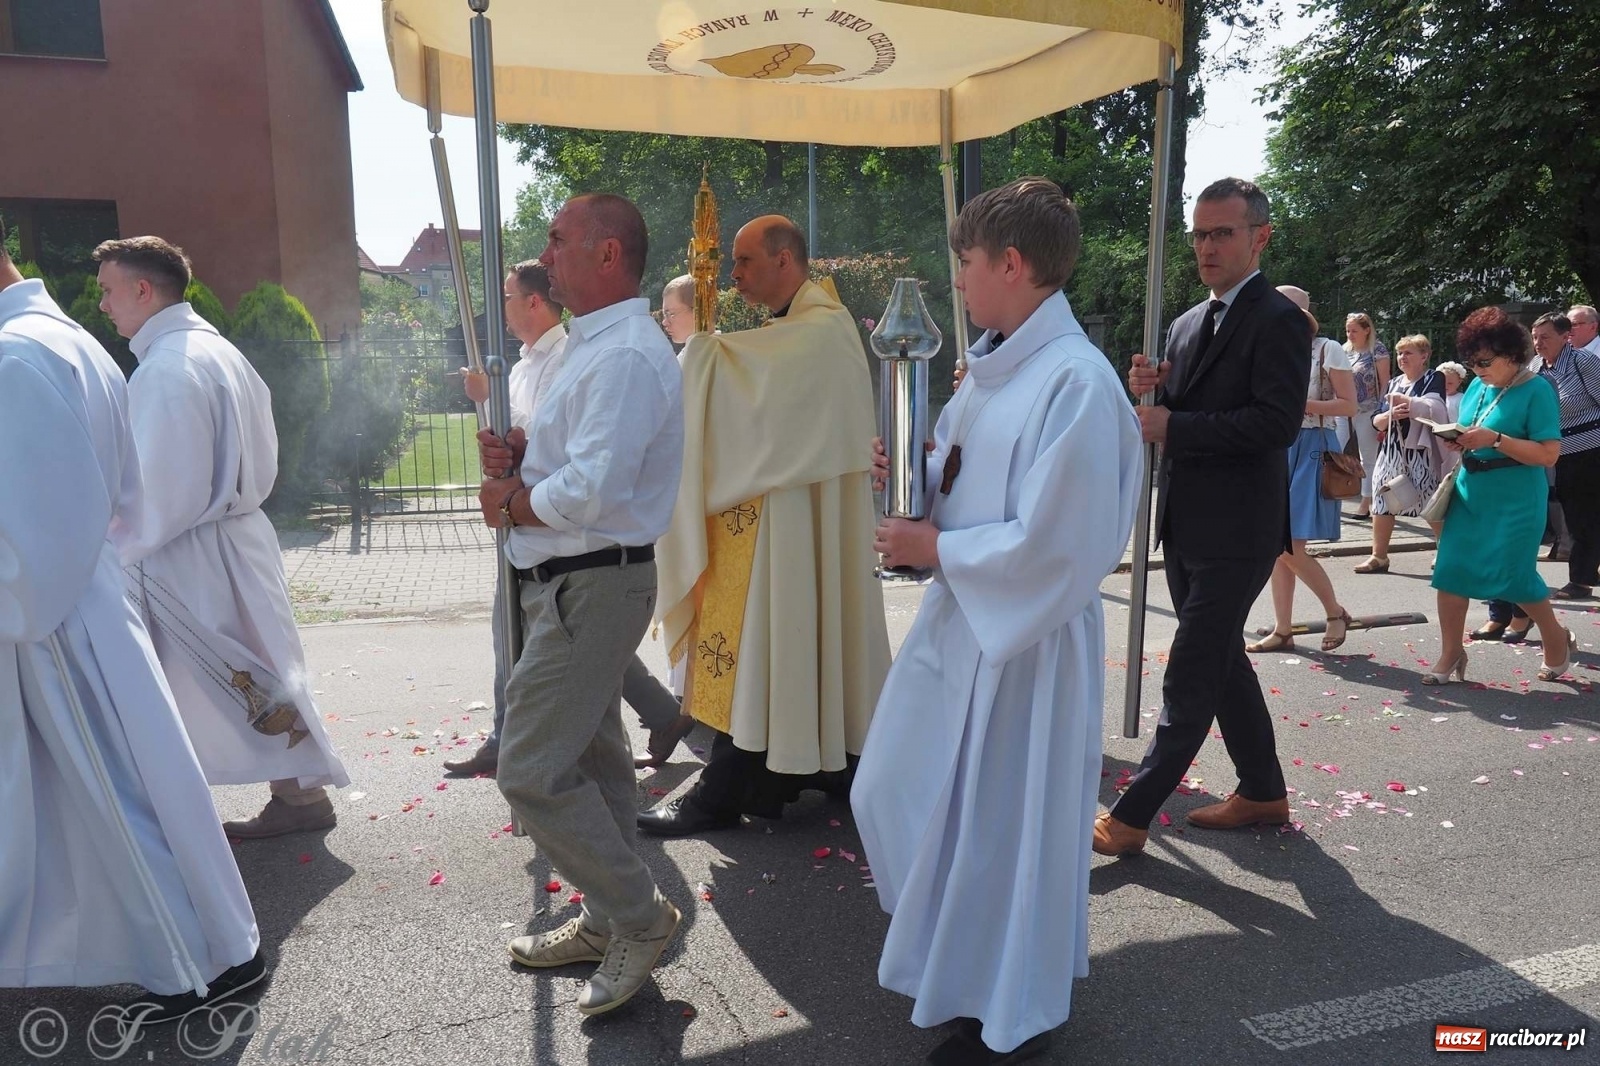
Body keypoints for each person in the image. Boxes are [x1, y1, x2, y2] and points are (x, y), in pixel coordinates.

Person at [852, 178, 1142, 1066]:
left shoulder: (1079, 385)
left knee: (1003, 830)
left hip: (1029, 642)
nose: (961, 284)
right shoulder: (994, 368)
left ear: (1010, 265)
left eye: (967, 265)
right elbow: (966, 477)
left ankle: (1013, 1013)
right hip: (963, 625)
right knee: (899, 792)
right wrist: (913, 471)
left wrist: (934, 545)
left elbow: (1062, 544)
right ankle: (964, 968)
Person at [0, 222, 264, 1018]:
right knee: (119, 788)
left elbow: (32, 535)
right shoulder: (60, 339)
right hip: (77, 604)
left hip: (52, 619)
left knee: (116, 794)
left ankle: (201, 962)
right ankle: (203, 949)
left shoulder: (18, 357)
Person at [476, 193, 684, 1017]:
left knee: (529, 769)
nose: (546, 253)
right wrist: (522, 454)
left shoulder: (627, 351)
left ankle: (638, 915)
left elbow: (596, 486)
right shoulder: (589, 346)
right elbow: (573, 454)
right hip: (567, 580)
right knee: (594, 762)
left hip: (593, 578)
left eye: (560, 240)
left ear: (607, 256)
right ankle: (606, 915)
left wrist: (517, 503)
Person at [637, 215, 891, 837]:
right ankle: (825, 764)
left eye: (746, 262)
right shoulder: (796, 331)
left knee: (769, 646)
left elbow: (739, 377)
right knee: (787, 645)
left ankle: (726, 791)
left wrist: (702, 351)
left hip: (787, 531)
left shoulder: (823, 331)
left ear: (785, 260)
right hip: (777, 528)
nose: (735, 275)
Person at [96, 237, 349, 839]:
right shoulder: (215, 351)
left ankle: (165, 818)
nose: (102, 304)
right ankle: (299, 796)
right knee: (264, 664)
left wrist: (104, 547)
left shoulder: (170, 368)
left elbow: (157, 488)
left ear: (142, 289)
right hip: (234, 536)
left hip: (188, 550)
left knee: (220, 677)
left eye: (108, 290)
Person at [1094, 177, 1309, 858]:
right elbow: (1179, 411)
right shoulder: (1187, 322)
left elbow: (1275, 424)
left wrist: (1173, 423)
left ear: (1259, 237)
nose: (1207, 247)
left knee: (1191, 668)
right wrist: (1151, 390)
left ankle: (1132, 815)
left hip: (1241, 528)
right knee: (1221, 660)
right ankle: (1263, 789)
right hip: (1183, 522)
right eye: (1200, 233)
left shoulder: (1279, 319)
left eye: (1222, 233)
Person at [445, 261, 691, 776]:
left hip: (576, 547)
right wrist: (509, 448)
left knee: (532, 768)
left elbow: (589, 475)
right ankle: (655, 717)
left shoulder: (595, 351)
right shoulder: (541, 358)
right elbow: (542, 445)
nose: (505, 309)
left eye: (510, 296)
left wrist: (512, 499)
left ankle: (507, 735)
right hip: (548, 545)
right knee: (575, 688)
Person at [1428, 307, 1574, 685]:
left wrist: (1494, 439)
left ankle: (1555, 638)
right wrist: (1460, 441)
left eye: (1485, 361)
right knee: (1450, 574)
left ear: (1512, 354)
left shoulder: (1537, 388)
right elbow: (1476, 431)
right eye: (1471, 361)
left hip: (1517, 496)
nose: (1477, 369)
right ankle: (1450, 653)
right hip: (1471, 492)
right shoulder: (1479, 384)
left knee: (1513, 578)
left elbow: (1548, 454)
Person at [1246, 287, 1357, 653]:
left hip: (1313, 444)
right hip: (1279, 446)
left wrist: (1295, 403)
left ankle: (1334, 611)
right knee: (1278, 543)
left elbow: (1348, 406)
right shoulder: (1271, 349)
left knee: (1288, 545)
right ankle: (1283, 629)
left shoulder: (1328, 348)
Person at [1353, 335, 1447, 574]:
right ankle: (1379, 556)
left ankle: (1446, 552)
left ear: (1424, 356)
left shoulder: (1433, 378)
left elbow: (1436, 408)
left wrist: (1409, 405)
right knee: (1382, 500)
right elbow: (1378, 417)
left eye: (1409, 353)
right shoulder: (1394, 382)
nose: (1402, 358)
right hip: (1391, 451)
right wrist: (1385, 418)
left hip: (1419, 451)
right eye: (1400, 353)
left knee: (1428, 501)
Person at [1344, 312, 1392, 519]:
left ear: (1367, 330)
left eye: (1354, 330)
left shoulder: (1377, 350)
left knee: (1368, 457)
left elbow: (1385, 381)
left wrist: (1381, 410)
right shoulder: (1345, 350)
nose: (1350, 334)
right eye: (1348, 330)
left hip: (1368, 409)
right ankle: (1336, 492)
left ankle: (1367, 501)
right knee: (1335, 451)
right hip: (1344, 410)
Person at [659, 273, 696, 346]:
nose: (664, 322)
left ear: (697, 311)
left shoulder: (711, 355)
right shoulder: (693, 352)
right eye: (664, 315)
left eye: (671, 314)